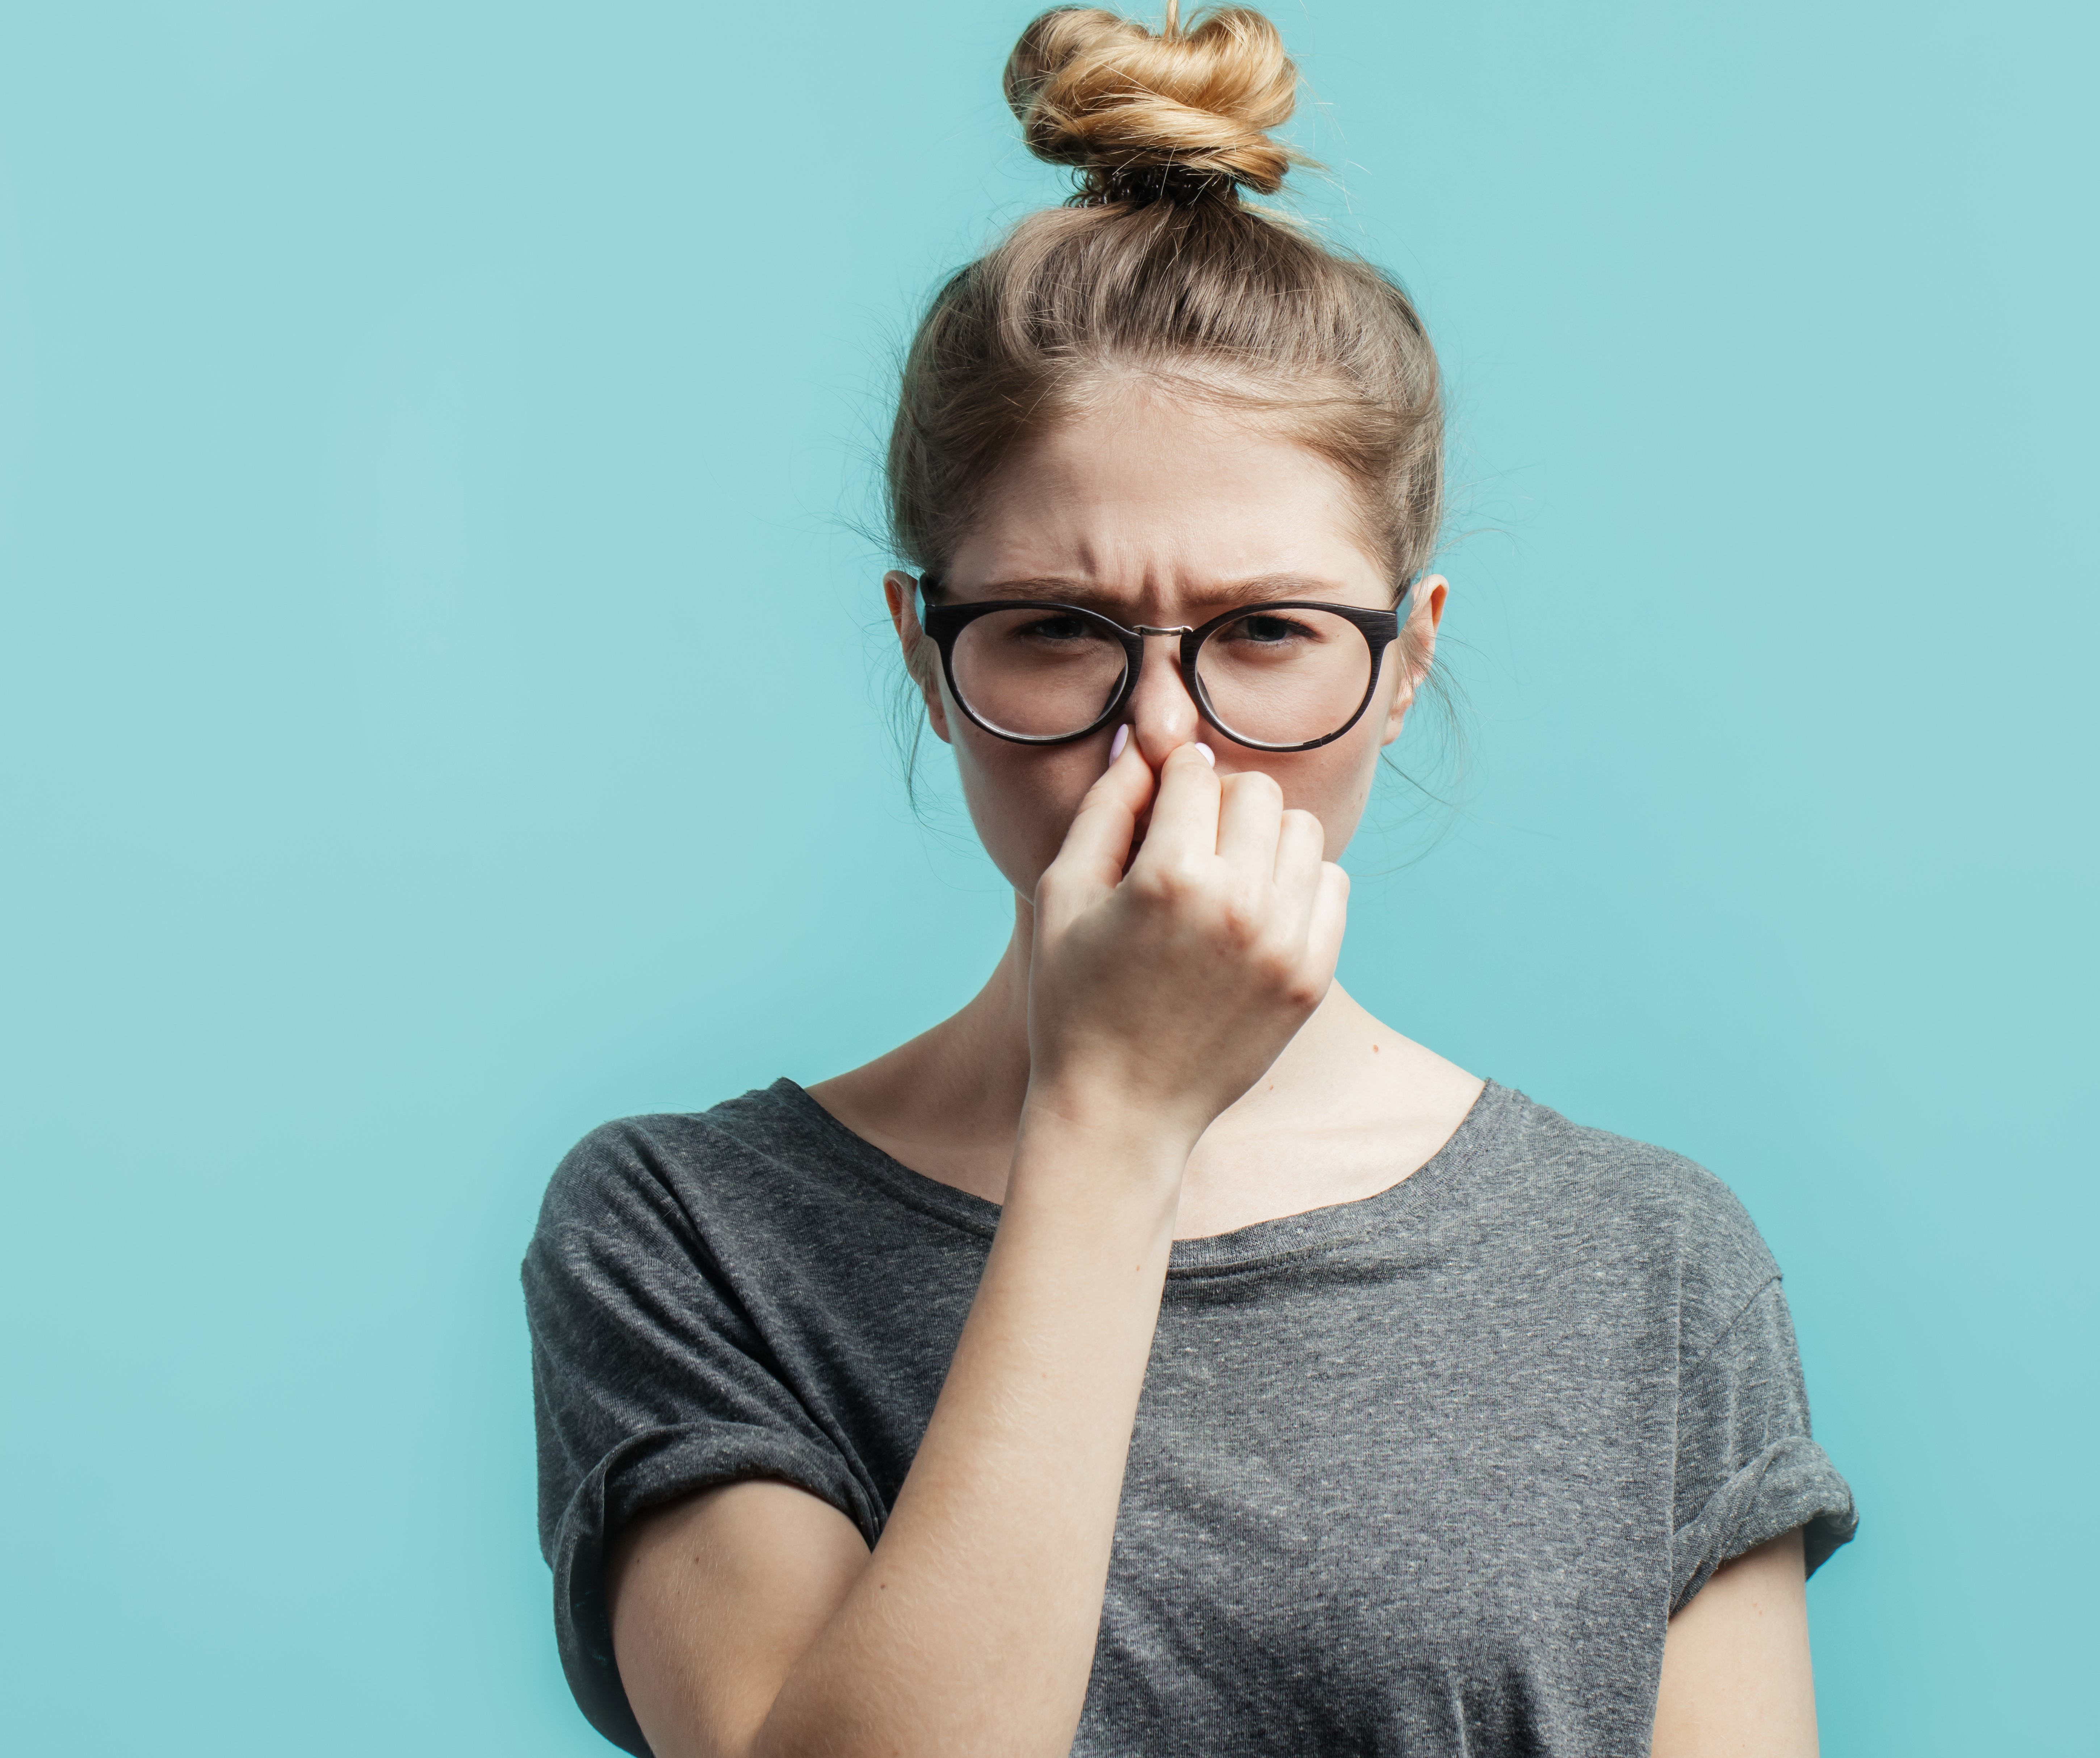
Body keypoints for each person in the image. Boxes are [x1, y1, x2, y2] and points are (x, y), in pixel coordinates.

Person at [523, 7, 1857, 1755]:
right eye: (1056, 630)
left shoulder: (1649, 1261)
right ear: (927, 656)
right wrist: (1113, 1115)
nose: (1162, 739)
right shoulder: (692, 1233)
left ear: (1403, 655)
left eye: (1267, 634)